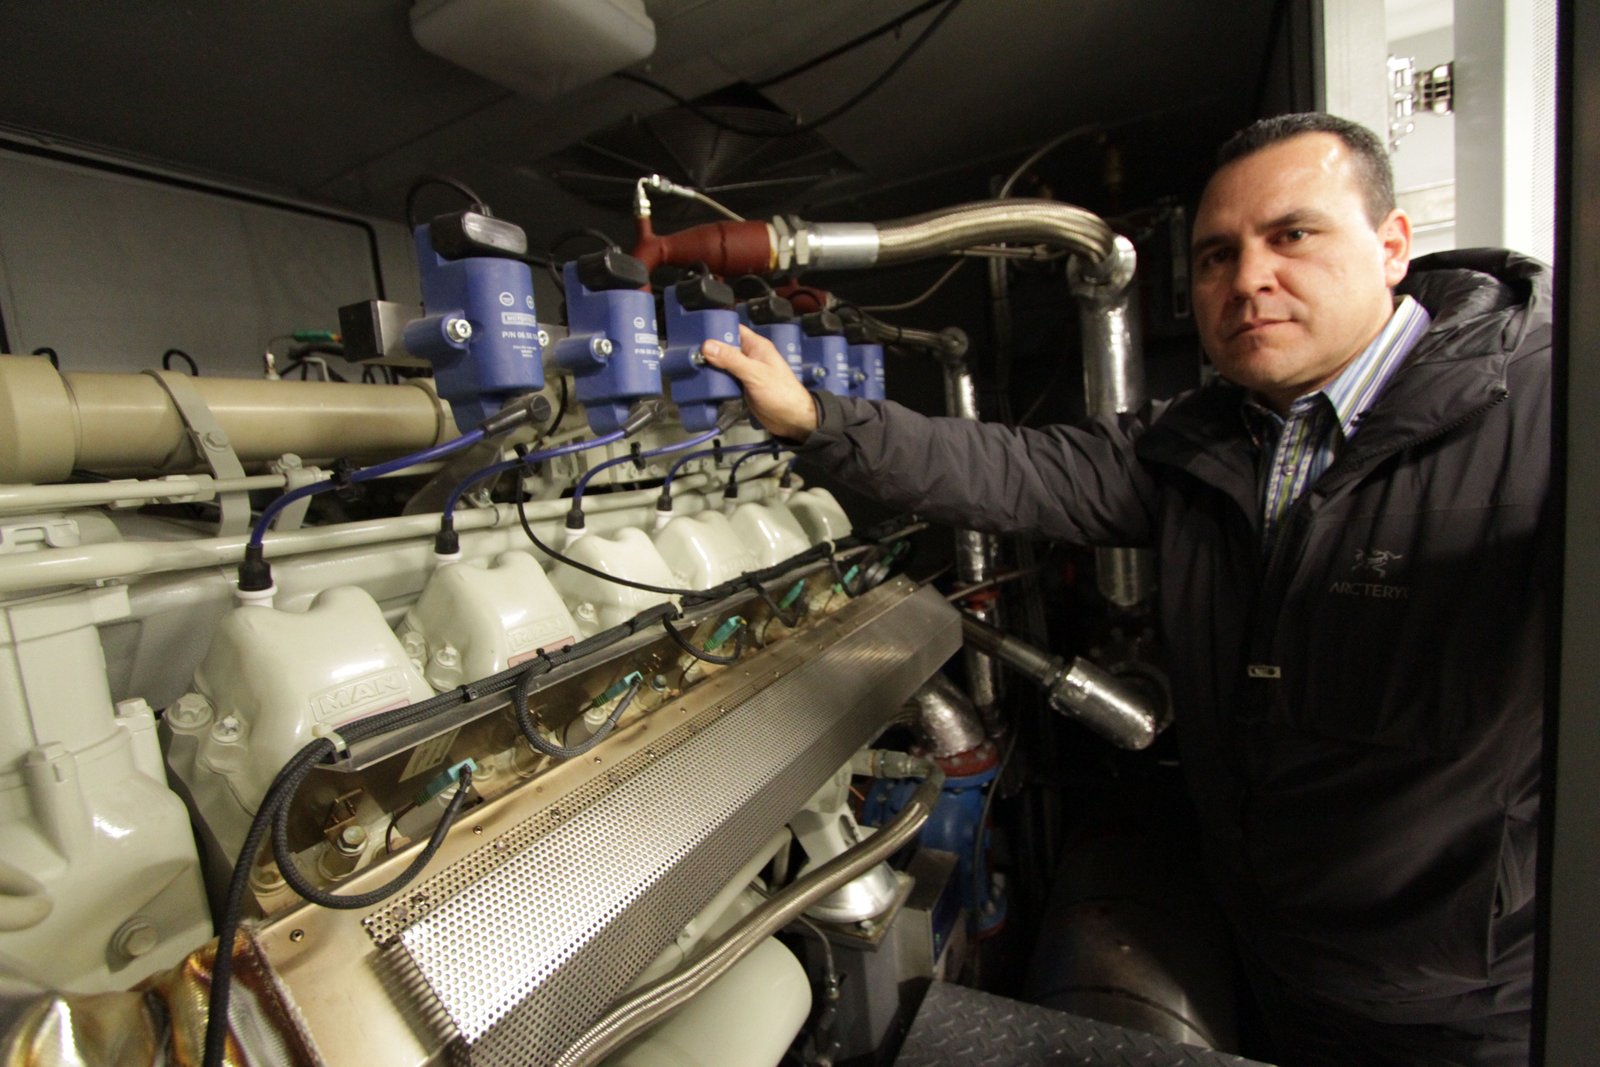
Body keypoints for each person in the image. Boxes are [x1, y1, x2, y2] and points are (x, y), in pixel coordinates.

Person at [700, 112, 1552, 1067]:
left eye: (1293, 235)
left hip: (1473, 998)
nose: (1250, 279)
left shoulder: (1542, 416)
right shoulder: (1216, 437)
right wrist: (816, 417)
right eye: (1217, 255)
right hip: (1277, 956)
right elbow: (1017, 468)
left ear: (1391, 245)